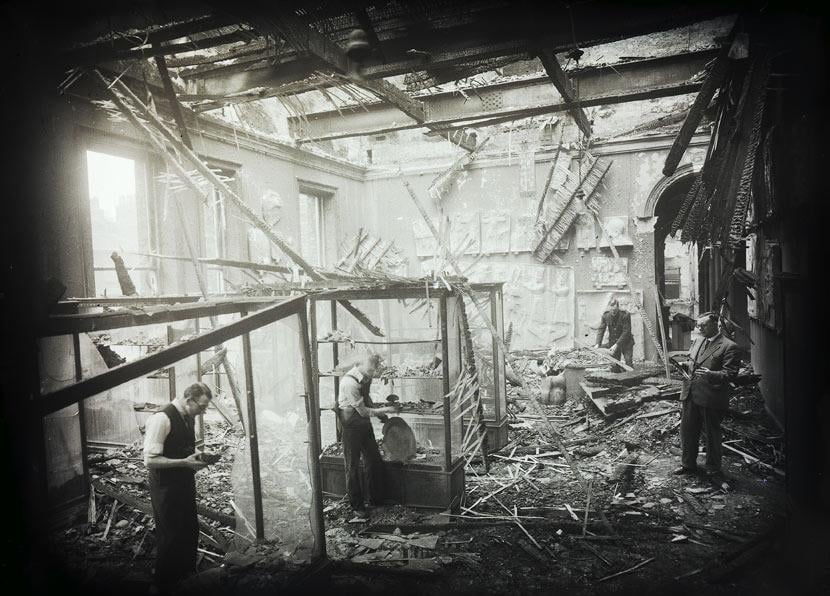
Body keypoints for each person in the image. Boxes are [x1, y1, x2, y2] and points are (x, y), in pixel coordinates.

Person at [143, 382, 215, 593]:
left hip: (184, 482)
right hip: (165, 487)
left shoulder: (188, 417)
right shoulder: (162, 418)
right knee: (171, 535)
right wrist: (184, 462)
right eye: (202, 407)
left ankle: (186, 579)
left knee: (189, 529)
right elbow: (150, 461)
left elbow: (183, 449)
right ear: (189, 400)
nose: (203, 412)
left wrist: (199, 458)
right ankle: (161, 586)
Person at [673, 312, 740, 478]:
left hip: (711, 396)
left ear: (715, 325)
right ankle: (688, 464)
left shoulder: (729, 346)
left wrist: (711, 374)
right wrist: (683, 365)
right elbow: (692, 362)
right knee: (687, 431)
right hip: (690, 393)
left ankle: (713, 468)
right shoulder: (698, 341)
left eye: (703, 325)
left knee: (712, 435)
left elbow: (731, 374)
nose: (699, 328)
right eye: (698, 325)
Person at [339, 354, 399, 522]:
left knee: (373, 460)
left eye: (374, 370)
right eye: (370, 370)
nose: (372, 373)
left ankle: (375, 499)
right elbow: (363, 411)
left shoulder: (366, 377)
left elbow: (366, 399)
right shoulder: (349, 383)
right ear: (360, 364)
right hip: (351, 424)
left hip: (363, 424)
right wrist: (386, 410)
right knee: (352, 466)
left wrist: (380, 416)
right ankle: (357, 506)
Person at [594, 298, 635, 368]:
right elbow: (601, 330)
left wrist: (617, 344)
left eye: (615, 310)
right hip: (613, 343)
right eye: (612, 310)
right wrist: (597, 343)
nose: (613, 312)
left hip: (626, 342)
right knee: (615, 366)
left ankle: (630, 373)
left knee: (628, 363)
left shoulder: (625, 315)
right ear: (609, 308)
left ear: (618, 308)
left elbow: (626, 332)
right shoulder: (606, 315)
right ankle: (619, 372)